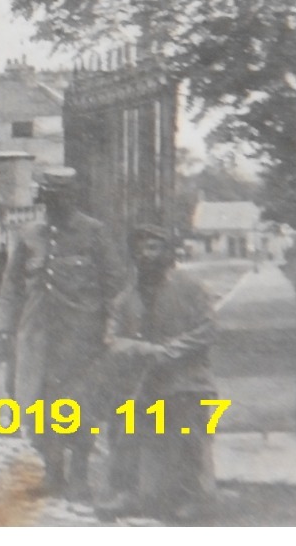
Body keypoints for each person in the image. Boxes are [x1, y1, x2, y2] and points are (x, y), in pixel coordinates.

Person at [0, 167, 121, 501]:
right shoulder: (28, 235)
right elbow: (11, 286)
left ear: (72, 196)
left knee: (80, 407)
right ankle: (53, 473)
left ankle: (79, 475)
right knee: (36, 406)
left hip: (81, 339)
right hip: (38, 337)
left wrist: (112, 328)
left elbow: (114, 285)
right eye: (49, 195)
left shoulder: (94, 233)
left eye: (61, 195)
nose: (54, 202)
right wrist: (5, 327)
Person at [97, 224, 218, 524]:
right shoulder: (125, 299)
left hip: (186, 378)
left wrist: (172, 350)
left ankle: (194, 497)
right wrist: (147, 351)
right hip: (144, 380)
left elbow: (206, 329)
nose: (145, 255)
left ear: (169, 253)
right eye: (139, 249)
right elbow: (112, 340)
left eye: (153, 247)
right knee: (124, 420)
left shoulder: (191, 289)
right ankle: (125, 492)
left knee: (190, 426)